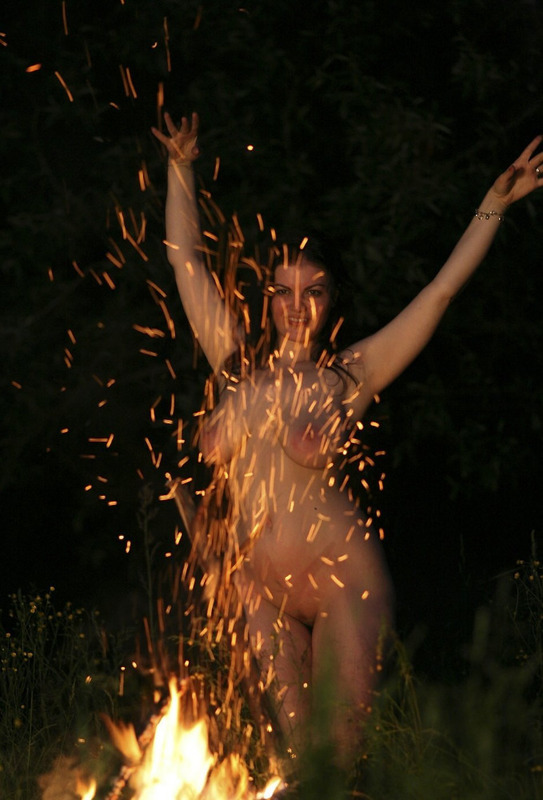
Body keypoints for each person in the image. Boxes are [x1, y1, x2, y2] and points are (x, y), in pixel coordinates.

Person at [152, 113, 543, 766]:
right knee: (294, 760)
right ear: (265, 297)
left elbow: (439, 293)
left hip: (342, 581)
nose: (295, 305)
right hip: (259, 587)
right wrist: (180, 168)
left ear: (333, 299)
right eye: (281, 291)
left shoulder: (349, 375)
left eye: (313, 291)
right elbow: (185, 260)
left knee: (337, 756)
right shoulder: (235, 364)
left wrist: (493, 205)